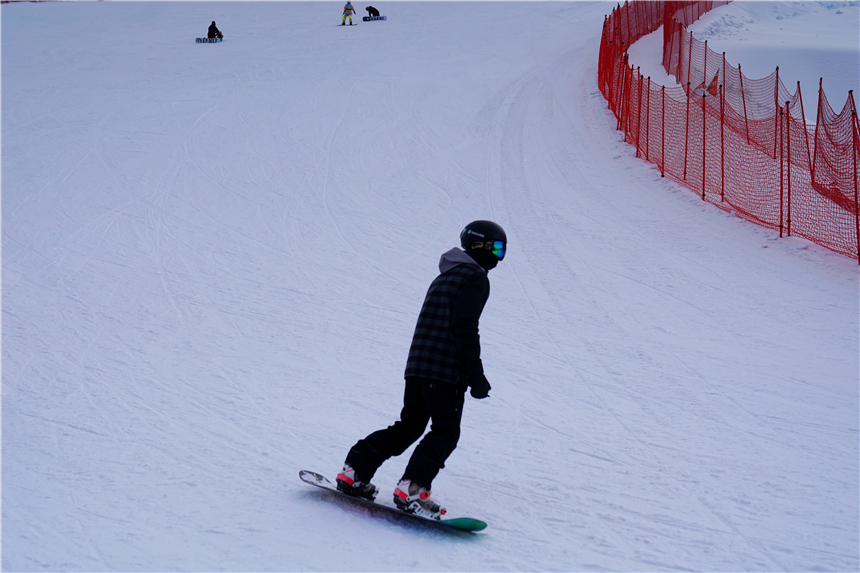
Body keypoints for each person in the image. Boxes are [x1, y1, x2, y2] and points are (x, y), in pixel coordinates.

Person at [336, 221, 507, 519]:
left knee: (409, 427)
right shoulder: (475, 278)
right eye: (496, 247)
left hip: (417, 367)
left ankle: (355, 471)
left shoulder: (444, 277)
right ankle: (413, 489)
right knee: (445, 431)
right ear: (479, 245)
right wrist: (476, 374)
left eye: (502, 250)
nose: (498, 256)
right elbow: (465, 327)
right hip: (444, 370)